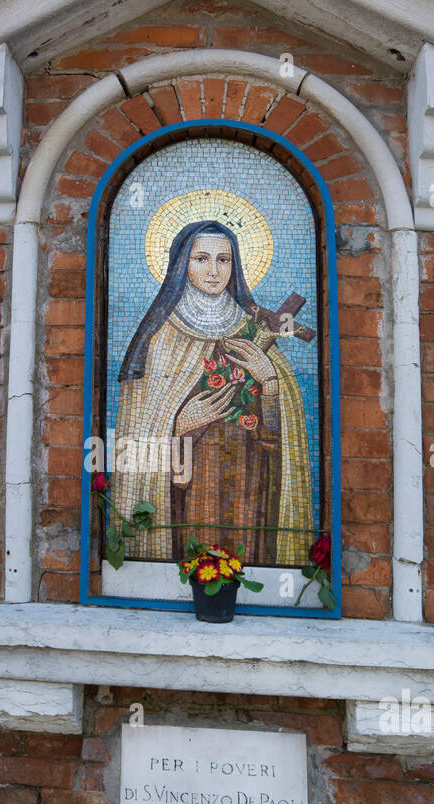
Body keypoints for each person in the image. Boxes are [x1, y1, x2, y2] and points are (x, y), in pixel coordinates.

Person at [112, 218, 313, 566]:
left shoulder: (254, 330)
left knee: (248, 557)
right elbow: (140, 430)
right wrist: (180, 425)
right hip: (188, 486)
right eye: (201, 259)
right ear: (182, 265)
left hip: (251, 482)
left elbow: (279, 438)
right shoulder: (159, 338)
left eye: (224, 260)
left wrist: (269, 381)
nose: (214, 270)